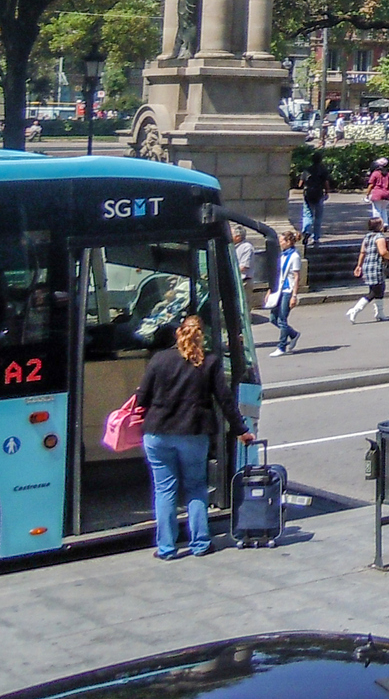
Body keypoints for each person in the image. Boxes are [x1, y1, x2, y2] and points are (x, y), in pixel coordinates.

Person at [134, 314, 252, 558]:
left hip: (157, 434)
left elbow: (142, 399)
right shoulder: (209, 362)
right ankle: (200, 543)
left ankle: (166, 548)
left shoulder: (159, 359)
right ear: (202, 336)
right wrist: (241, 430)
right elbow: (225, 400)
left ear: (179, 333)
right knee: (196, 487)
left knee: (164, 490)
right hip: (193, 433)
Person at [346, 218, 389, 323]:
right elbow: (383, 252)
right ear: (378, 226)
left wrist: (359, 265)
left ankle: (379, 313)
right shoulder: (380, 237)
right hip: (376, 266)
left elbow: (362, 252)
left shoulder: (367, 236)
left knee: (380, 288)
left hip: (367, 265)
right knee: (374, 291)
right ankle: (355, 310)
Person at [265, 230, 302, 356]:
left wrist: (294, 296)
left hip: (288, 291)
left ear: (288, 242)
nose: (280, 244)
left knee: (282, 319)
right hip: (279, 290)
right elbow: (277, 274)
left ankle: (281, 347)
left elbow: (297, 277)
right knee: (273, 318)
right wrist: (271, 290)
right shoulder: (283, 255)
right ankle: (293, 334)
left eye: (282, 241)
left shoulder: (294, 256)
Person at [366, 158, 389, 226]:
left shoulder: (375, 174)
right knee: (383, 209)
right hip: (387, 194)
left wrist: (367, 194)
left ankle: (378, 225)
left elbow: (371, 185)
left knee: (377, 210)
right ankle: (385, 223)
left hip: (377, 194)